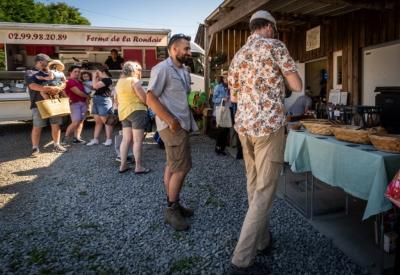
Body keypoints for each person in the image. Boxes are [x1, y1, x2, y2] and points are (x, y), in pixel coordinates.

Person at [227, 10, 302, 274]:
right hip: (268, 126)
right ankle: (242, 259)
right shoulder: (275, 46)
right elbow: (298, 85)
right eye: (275, 28)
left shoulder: (238, 56)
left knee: (253, 185)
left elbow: (234, 98)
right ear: (269, 27)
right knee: (265, 190)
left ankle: (262, 240)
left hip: (244, 127)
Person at [146, 33, 196, 231]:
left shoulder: (183, 70)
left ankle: (174, 203)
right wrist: (171, 121)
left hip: (182, 124)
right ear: (174, 49)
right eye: (186, 48)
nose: (189, 52)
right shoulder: (162, 69)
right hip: (173, 127)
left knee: (172, 165)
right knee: (181, 168)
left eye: (189, 49)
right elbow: (150, 98)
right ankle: (171, 210)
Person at [25, 53, 67, 156]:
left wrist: (60, 87)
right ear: (39, 62)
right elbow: (32, 86)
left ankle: (56, 145)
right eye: (46, 61)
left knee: (55, 124)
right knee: (37, 126)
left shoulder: (51, 72)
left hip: (54, 102)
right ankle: (35, 148)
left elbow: (63, 82)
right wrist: (49, 89)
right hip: (39, 103)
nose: (48, 63)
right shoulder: (30, 72)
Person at [114, 61, 150, 174]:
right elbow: (143, 97)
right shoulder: (134, 81)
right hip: (137, 111)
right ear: (133, 71)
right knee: (138, 140)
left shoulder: (119, 82)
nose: (139, 72)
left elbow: (116, 99)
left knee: (125, 139)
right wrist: (148, 104)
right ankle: (138, 167)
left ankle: (123, 165)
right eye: (138, 70)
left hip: (124, 112)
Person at [86, 67, 114, 146]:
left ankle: (109, 139)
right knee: (98, 121)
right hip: (97, 100)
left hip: (103, 101)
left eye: (97, 72)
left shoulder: (107, 79)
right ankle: (95, 139)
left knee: (107, 121)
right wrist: (95, 78)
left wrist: (94, 76)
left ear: (102, 72)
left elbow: (95, 86)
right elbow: (93, 86)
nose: (96, 74)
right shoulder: (102, 80)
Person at [63, 65, 89, 144]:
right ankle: (65, 138)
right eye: (75, 71)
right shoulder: (69, 81)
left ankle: (77, 138)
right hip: (74, 104)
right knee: (76, 121)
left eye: (78, 72)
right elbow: (79, 93)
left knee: (81, 121)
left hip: (83, 103)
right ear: (70, 72)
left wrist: (87, 103)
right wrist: (88, 96)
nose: (77, 73)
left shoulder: (79, 81)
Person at [212, 72, 231, 155]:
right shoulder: (218, 87)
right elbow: (213, 99)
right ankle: (218, 147)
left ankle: (222, 148)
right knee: (221, 130)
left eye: (228, 78)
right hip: (220, 111)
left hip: (228, 110)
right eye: (226, 78)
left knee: (226, 130)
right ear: (223, 79)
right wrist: (222, 98)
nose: (227, 80)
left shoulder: (230, 88)